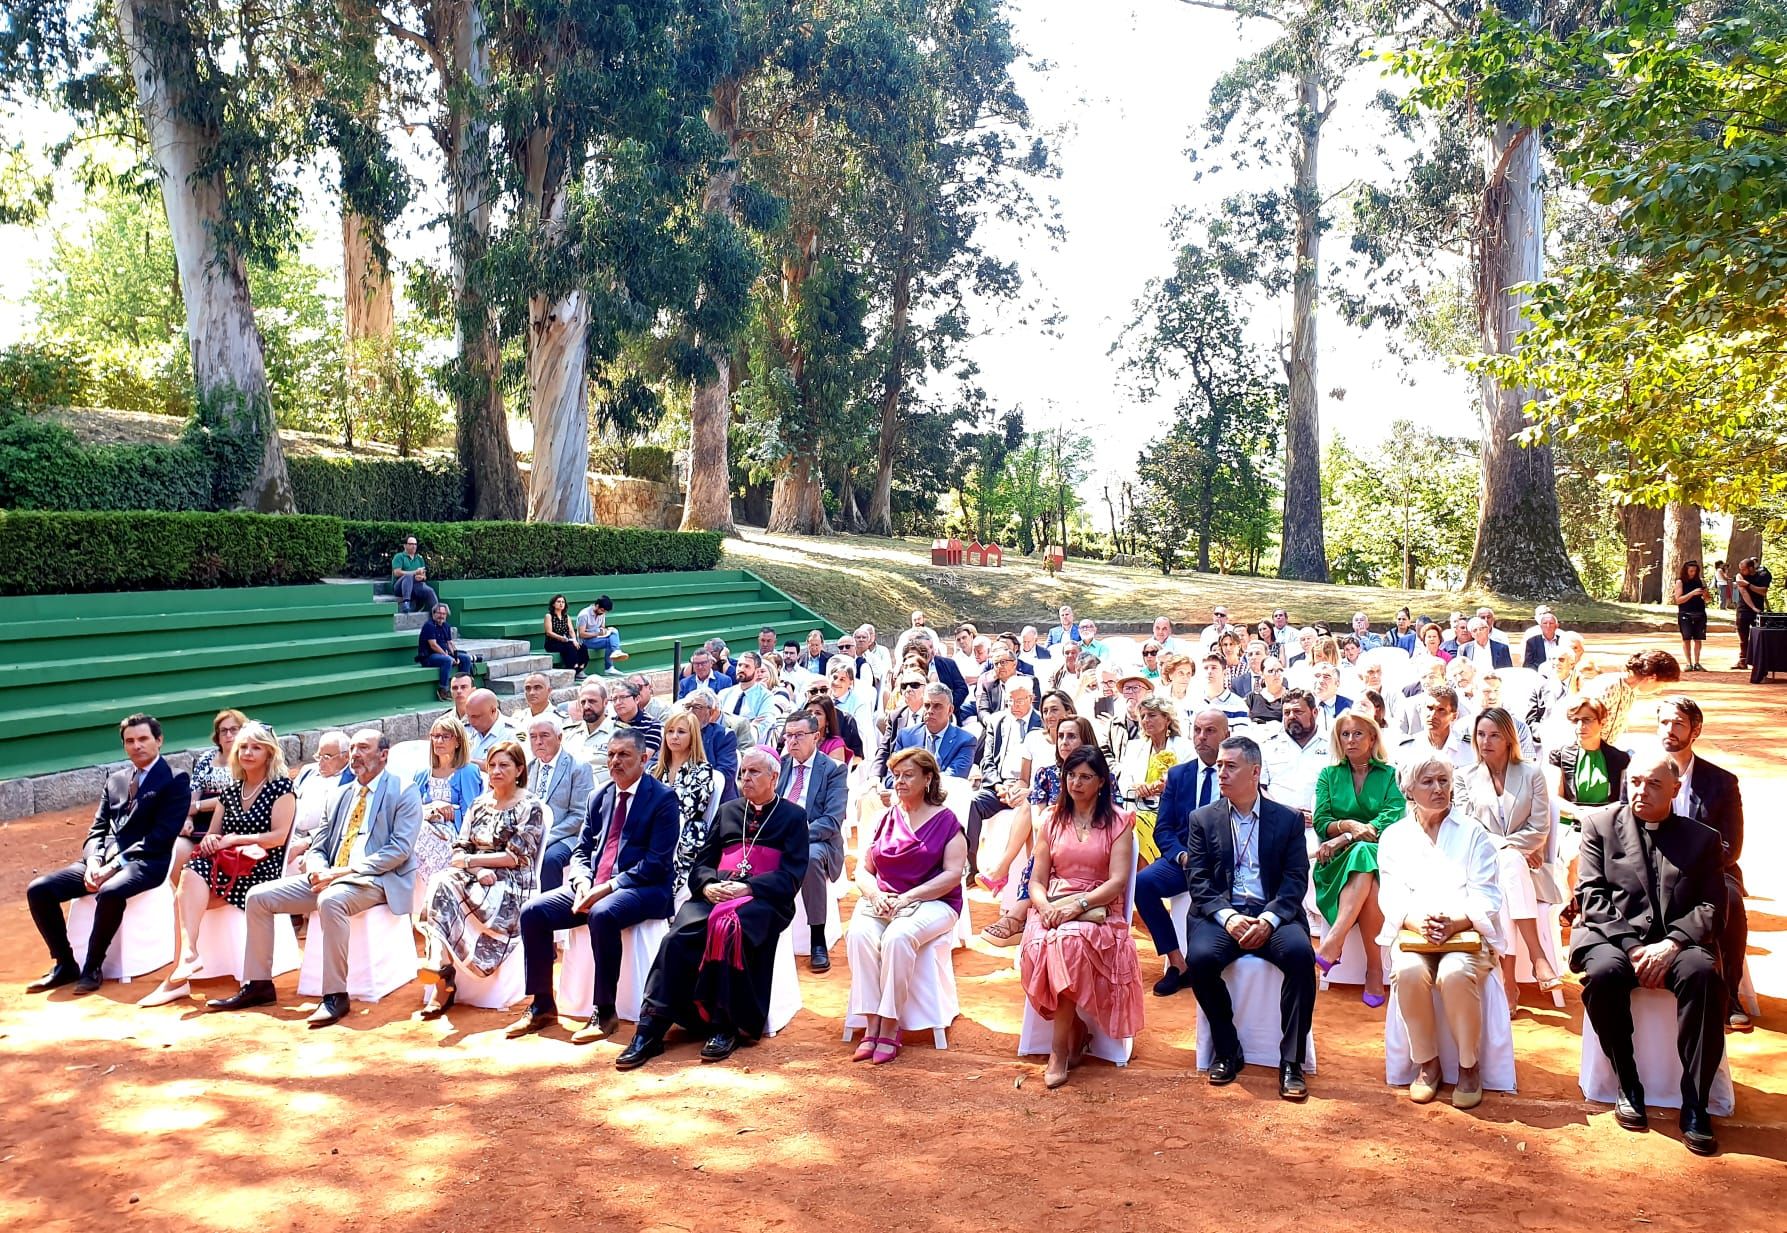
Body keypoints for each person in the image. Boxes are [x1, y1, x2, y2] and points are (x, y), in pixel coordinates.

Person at [209, 729, 421, 1028]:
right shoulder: (339, 795)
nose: (355, 755)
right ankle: (259, 984)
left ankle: (335, 995)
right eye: (353, 749)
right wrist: (318, 869)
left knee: (331, 901)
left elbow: (399, 850)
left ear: (383, 754)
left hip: (376, 880)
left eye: (364, 748)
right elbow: (319, 845)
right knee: (258, 896)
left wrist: (342, 872)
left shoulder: (403, 790)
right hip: (330, 876)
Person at [1572, 750, 1726, 1156]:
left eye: (1654, 783)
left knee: (1703, 977)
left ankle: (1695, 1104)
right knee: (1603, 975)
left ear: (1675, 790)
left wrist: (1672, 943)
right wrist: (1634, 947)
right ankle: (1628, 1083)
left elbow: (1712, 906)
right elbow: (1591, 894)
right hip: (1615, 937)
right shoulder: (1599, 825)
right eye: (1636, 781)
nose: (1641, 790)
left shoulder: (1702, 839)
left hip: (1678, 942)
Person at [616, 749, 810, 1068]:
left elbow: (792, 875)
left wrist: (749, 887)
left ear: (774, 777)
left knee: (731, 931)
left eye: (753, 773)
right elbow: (702, 863)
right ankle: (650, 1029)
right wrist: (707, 886)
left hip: (763, 900)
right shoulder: (729, 810)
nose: (744, 778)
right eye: (743, 772)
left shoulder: (792, 816)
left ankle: (725, 1025)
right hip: (717, 893)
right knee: (677, 938)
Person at [506, 730, 676, 1041]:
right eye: (611, 754)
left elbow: (658, 862)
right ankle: (542, 1004)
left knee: (603, 913)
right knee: (533, 912)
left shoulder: (662, 798)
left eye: (624, 755)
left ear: (644, 758)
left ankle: (605, 1011)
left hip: (644, 888)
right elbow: (582, 849)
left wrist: (609, 887)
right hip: (593, 884)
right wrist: (582, 879)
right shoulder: (599, 795)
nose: (615, 761)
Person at [1180, 735, 1317, 1099]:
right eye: (1219, 766)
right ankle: (1226, 1049)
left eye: (1230, 766)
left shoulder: (1287, 820)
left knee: (1302, 957)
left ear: (1255, 772)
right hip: (1223, 916)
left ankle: (1291, 1062)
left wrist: (1269, 920)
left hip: (1273, 915)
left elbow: (1294, 881)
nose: (1220, 773)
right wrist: (1227, 918)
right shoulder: (1202, 819)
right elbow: (1199, 882)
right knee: (1201, 960)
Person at [26, 713, 194, 994]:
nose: (137, 745)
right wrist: (93, 860)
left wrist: (114, 865)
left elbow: (160, 837)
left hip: (146, 862)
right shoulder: (115, 780)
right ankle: (66, 964)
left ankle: (92, 966)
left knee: (111, 891)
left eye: (143, 739)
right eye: (130, 741)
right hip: (102, 860)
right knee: (39, 889)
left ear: (159, 740)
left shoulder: (176, 780)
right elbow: (98, 828)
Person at [1377, 755, 1506, 1108]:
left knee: (1454, 972)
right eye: (1428, 782)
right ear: (1409, 790)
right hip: (1415, 932)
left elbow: (1487, 893)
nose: (1438, 789)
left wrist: (1454, 922)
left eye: (1443, 781)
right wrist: (1418, 922)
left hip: (1464, 933)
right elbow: (1391, 893)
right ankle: (1427, 1063)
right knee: (1408, 970)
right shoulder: (1394, 836)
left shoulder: (1473, 832)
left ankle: (1468, 1066)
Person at [139, 721, 295, 1007]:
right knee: (189, 877)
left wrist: (233, 840)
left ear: (269, 753)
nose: (247, 752)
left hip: (261, 868)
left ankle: (177, 978)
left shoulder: (281, 788)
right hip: (228, 866)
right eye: (243, 747)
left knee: (183, 896)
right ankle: (187, 958)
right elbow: (213, 833)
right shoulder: (231, 791)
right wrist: (212, 841)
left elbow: (278, 837)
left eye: (256, 747)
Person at [1019, 746, 1144, 1089]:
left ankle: (1058, 1051)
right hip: (1054, 903)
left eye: (1085, 776)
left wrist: (1077, 906)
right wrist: (1044, 906)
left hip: (1099, 908)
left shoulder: (1119, 821)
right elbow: (1037, 879)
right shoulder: (1051, 820)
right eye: (1071, 775)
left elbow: (1117, 881)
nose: (1076, 782)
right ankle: (1073, 1027)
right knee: (1038, 942)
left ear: (1101, 782)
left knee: (1068, 942)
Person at [846, 748, 969, 1064]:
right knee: (858, 935)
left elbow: (953, 875)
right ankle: (871, 1024)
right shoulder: (884, 818)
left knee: (898, 938)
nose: (899, 781)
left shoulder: (946, 821)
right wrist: (874, 896)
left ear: (928, 778)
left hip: (933, 902)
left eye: (907, 775)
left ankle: (890, 1025)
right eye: (896, 775)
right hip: (883, 900)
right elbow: (863, 870)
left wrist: (909, 898)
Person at [415, 740, 545, 1018]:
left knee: (446, 885)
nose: (496, 771)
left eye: (504, 765)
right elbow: (460, 848)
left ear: (520, 769)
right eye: (492, 765)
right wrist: (476, 869)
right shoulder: (479, 804)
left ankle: (442, 975)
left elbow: (515, 857)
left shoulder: (529, 806)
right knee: (441, 880)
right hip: (475, 875)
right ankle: (439, 961)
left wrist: (474, 862)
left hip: (512, 880)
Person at [1457, 707, 1563, 1007]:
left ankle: (1508, 980)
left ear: (1508, 739)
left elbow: (1539, 828)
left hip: (1530, 871)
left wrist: (1509, 850)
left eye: (1494, 735)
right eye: (1480, 735)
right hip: (1483, 867)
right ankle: (1537, 955)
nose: (1485, 741)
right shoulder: (1464, 777)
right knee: (1509, 863)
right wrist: (1510, 849)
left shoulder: (1532, 773)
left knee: (1507, 871)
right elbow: (1470, 829)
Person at [1656, 695, 1750, 1030]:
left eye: (1678, 723)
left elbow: (1731, 845)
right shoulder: (1640, 773)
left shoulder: (1721, 782)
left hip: (1712, 870)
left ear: (1695, 730)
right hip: (1652, 871)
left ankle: (1730, 995)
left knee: (1731, 901)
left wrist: (1694, 868)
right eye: (1664, 722)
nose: (1670, 729)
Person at [1311, 710, 1404, 1005]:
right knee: (1368, 872)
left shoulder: (1389, 774)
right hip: (1335, 861)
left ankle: (1333, 943)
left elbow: (1392, 817)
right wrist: (1349, 827)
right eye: (1345, 734)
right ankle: (1374, 971)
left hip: (1384, 854)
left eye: (1358, 734)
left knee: (1366, 856)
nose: (1350, 740)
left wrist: (1347, 835)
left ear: (1373, 737)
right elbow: (1320, 820)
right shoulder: (1328, 774)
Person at [1135, 709, 1228, 995]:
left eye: (1210, 731)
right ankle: (1178, 963)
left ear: (1226, 735)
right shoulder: (1178, 775)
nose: (1202, 737)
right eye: (1198, 730)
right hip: (1182, 861)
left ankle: (1223, 963)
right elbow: (1162, 829)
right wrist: (1182, 856)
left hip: (1224, 863)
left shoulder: (1236, 772)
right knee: (1142, 884)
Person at [1545, 695, 1631, 925]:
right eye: (1576, 721)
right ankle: (1576, 905)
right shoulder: (1560, 755)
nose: (1581, 726)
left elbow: (1624, 799)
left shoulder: (1619, 758)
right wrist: (1579, 813)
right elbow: (1554, 797)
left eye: (1587, 720)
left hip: (1608, 821)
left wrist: (1597, 817)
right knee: (1575, 850)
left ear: (1602, 722)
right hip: (1571, 821)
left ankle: (1597, 906)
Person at [776, 709, 848, 972]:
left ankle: (817, 938)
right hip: (777, 835)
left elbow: (832, 820)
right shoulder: (779, 766)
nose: (791, 741)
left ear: (815, 736)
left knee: (811, 858)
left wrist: (796, 834)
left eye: (798, 735)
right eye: (788, 735)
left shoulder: (833, 770)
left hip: (816, 839)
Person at [411, 715, 485, 911]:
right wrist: (431, 808)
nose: (438, 741)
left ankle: (440, 900)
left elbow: (473, 813)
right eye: (434, 736)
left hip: (454, 834)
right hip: (423, 830)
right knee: (418, 832)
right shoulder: (421, 773)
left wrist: (450, 811)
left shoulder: (467, 771)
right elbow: (409, 810)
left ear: (458, 741)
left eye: (445, 736)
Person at [964, 680, 1035, 884]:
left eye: (1019, 700)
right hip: (1000, 786)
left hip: (1027, 789)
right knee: (973, 803)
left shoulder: (1040, 722)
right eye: (1010, 701)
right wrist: (998, 785)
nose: (1014, 705)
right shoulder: (997, 721)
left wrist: (1025, 788)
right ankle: (972, 866)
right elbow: (986, 760)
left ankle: (1019, 873)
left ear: (1031, 698)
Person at [1118, 697, 1195, 865]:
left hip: (1171, 814)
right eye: (1143, 716)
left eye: (1152, 715)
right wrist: (1136, 787)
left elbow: (1190, 782)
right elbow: (1123, 782)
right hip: (1139, 809)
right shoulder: (1134, 747)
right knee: (1131, 826)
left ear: (1167, 719)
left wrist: (1167, 787)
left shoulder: (1185, 747)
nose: (1146, 720)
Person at [526, 714, 595, 892]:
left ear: (559, 737)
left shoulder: (578, 767)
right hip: (531, 835)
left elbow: (580, 815)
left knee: (550, 859)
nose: (538, 741)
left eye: (544, 735)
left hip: (566, 836)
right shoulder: (528, 768)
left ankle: (549, 911)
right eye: (533, 737)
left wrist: (546, 838)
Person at [655, 707, 716, 899]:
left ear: (693, 736)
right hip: (655, 832)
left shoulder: (702, 770)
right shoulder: (655, 771)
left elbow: (690, 809)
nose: (674, 736)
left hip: (686, 836)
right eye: (670, 732)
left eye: (681, 732)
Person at [286, 730, 353, 871]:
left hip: (321, 842)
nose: (320, 763)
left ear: (346, 757)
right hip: (291, 833)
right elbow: (290, 802)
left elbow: (343, 825)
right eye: (319, 756)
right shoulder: (308, 771)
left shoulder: (353, 782)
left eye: (327, 757)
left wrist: (307, 843)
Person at [1586, 649, 1682, 745]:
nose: (1660, 690)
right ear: (1651, 678)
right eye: (1662, 685)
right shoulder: (1608, 687)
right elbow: (1584, 722)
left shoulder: (1630, 690)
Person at [888, 683, 975, 779]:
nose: (930, 710)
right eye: (927, 705)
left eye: (937, 706)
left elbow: (953, 778)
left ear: (950, 710)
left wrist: (916, 782)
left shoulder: (965, 741)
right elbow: (892, 777)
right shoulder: (905, 736)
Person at [186, 708, 245, 846]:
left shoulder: (248, 759)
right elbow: (193, 793)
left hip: (232, 823)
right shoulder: (207, 758)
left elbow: (240, 797)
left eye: (233, 729)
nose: (228, 734)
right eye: (223, 731)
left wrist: (199, 806)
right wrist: (188, 819)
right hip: (199, 823)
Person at [1395, 685, 1475, 772]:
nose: (1433, 715)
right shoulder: (1408, 748)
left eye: (1441, 710)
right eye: (1429, 708)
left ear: (1454, 716)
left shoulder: (1469, 749)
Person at [682, 689, 740, 804]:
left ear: (711, 713)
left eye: (697, 707)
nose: (690, 711)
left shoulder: (723, 736)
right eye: (687, 706)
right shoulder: (675, 734)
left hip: (716, 800)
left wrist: (691, 784)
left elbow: (725, 774)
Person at [562, 679, 617, 787]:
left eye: (592, 701)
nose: (587, 706)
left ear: (605, 703)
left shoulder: (619, 734)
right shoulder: (568, 733)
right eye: (583, 702)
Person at [417, 604, 475, 703]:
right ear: (433, 613)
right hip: (429, 657)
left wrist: (455, 656)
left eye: (444, 614)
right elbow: (433, 645)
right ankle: (443, 690)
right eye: (439, 613)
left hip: (443, 654)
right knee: (447, 660)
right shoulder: (429, 626)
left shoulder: (446, 626)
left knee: (465, 658)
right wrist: (448, 656)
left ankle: (465, 686)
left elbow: (450, 643)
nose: (441, 616)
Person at [463, 687, 519, 770]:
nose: (472, 722)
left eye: (476, 717)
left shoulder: (512, 732)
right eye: (469, 716)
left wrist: (465, 763)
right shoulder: (465, 730)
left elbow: (517, 767)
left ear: (493, 711)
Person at [1732, 556, 1771, 669]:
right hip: (1744, 609)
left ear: (1751, 568)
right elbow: (1743, 592)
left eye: (1744, 569)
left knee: (1758, 637)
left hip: (1758, 610)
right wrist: (1752, 607)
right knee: (1743, 637)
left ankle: (1758, 662)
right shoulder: (1740, 576)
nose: (1741, 571)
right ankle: (1743, 660)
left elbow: (1763, 591)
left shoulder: (1763, 575)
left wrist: (1749, 585)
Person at [1672, 561, 1711, 672]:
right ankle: (1688, 663)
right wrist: (1692, 593)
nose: (1693, 573)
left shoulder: (1700, 581)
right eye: (1691, 571)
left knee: (1698, 639)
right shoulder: (1680, 582)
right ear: (1686, 571)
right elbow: (1678, 600)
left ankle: (1697, 663)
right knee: (1686, 639)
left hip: (1700, 613)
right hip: (1686, 613)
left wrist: (1705, 594)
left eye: (1695, 571)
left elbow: (1708, 599)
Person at [574, 595, 628, 673]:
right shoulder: (584, 615)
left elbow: (602, 627)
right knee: (611, 641)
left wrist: (605, 631)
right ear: (597, 606)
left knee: (614, 631)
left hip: (597, 637)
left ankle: (616, 652)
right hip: (586, 641)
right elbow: (581, 634)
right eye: (602, 610)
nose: (603, 613)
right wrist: (597, 633)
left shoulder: (602, 614)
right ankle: (610, 664)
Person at [611, 680, 664, 759]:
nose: (618, 702)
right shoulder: (609, 723)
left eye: (623, 697)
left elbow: (641, 759)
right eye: (614, 699)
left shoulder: (652, 725)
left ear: (637, 699)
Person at [543, 594, 589, 678]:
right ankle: (573, 667)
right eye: (558, 602)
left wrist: (574, 640)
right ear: (553, 604)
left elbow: (571, 630)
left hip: (566, 641)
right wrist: (561, 638)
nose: (561, 604)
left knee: (582, 647)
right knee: (570, 647)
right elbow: (548, 632)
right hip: (552, 642)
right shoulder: (549, 616)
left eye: (563, 602)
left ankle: (580, 668)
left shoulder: (566, 617)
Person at [390, 534, 437, 614]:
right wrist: (415, 573)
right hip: (400, 587)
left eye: (415, 544)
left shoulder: (419, 559)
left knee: (429, 591)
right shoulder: (399, 557)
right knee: (408, 576)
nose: (414, 546)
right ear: (405, 545)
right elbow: (396, 573)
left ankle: (437, 614)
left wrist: (421, 578)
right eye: (411, 544)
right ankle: (406, 603)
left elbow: (424, 577)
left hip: (416, 586)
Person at [1248, 657, 1287, 724]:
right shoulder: (1252, 699)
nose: (1276, 674)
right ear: (1262, 674)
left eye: (1279, 670)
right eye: (1271, 671)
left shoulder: (1290, 697)